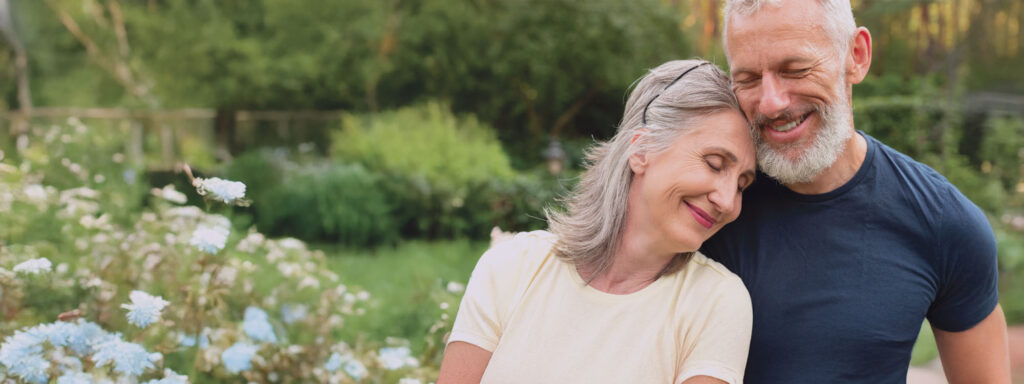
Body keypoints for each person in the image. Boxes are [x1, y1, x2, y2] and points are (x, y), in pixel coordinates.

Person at [700, 0, 1012, 382]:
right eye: (747, 79)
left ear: (857, 56)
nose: (771, 102)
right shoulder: (705, 207)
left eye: (795, 69)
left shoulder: (944, 223)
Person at [438, 59, 757, 384]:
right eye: (714, 164)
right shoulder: (512, 268)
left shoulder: (716, 303)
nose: (728, 200)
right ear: (642, 149)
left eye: (743, 184)